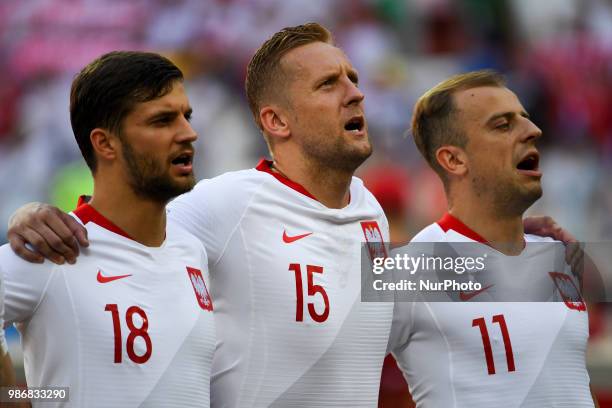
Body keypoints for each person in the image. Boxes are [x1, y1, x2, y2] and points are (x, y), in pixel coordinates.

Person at [6, 25, 580, 407]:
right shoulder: (224, 204)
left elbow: (420, 287)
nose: (355, 93)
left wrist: (501, 235)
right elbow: (123, 240)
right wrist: (33, 217)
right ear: (276, 122)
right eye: (329, 84)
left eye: (353, 79)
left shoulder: (369, 212)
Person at [0, 51, 215, 407]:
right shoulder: (55, 251)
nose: (188, 133)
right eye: (163, 121)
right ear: (105, 143)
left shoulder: (194, 249)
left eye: (186, 116)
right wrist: (19, 397)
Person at [387, 70, 597, 407]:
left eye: (525, 119)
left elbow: (571, 385)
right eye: (503, 125)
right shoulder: (410, 269)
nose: (534, 131)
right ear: (454, 159)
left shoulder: (557, 256)